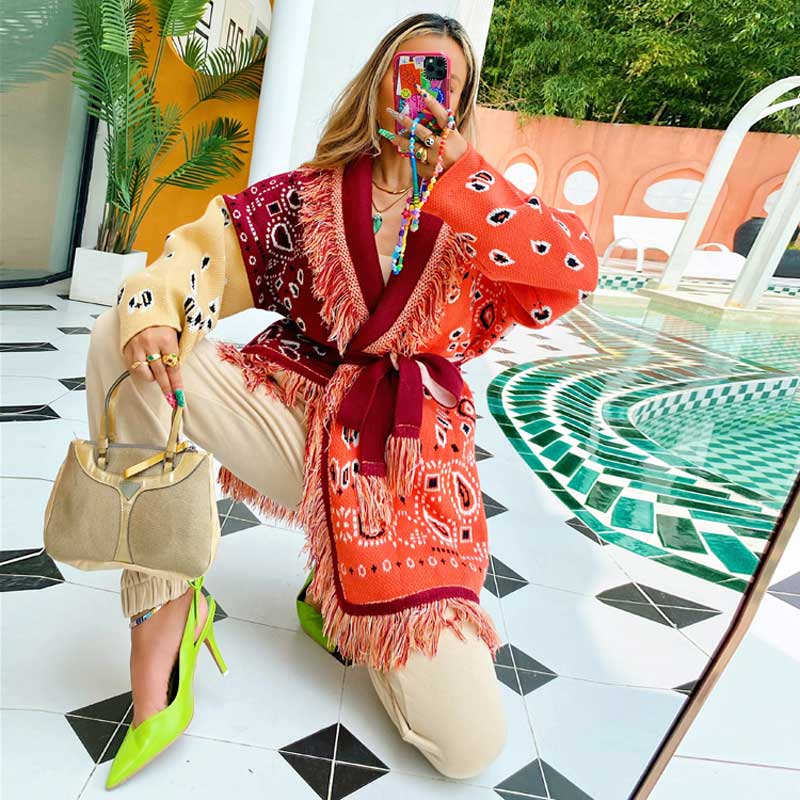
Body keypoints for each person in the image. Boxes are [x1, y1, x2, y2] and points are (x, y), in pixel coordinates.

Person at [86, 12, 598, 791]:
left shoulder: (479, 215)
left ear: (461, 106)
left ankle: (336, 597)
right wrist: (153, 308)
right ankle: (165, 607)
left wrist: (465, 176)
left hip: (401, 470)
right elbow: (205, 253)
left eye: (446, 82)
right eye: (411, 71)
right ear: (377, 83)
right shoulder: (310, 199)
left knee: (468, 747)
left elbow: (570, 271)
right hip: (295, 417)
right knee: (123, 339)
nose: (425, 93)